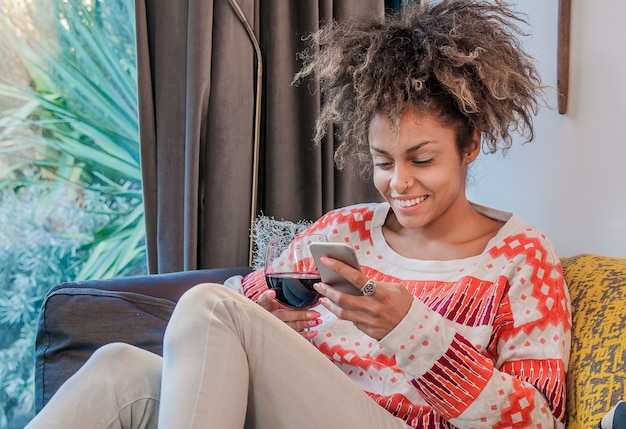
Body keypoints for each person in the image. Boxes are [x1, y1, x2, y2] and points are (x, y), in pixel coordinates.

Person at [26, 1, 571, 428]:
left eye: (421, 159)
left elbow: (538, 420)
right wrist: (266, 313)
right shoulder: (345, 230)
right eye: (383, 162)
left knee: (210, 307)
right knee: (119, 369)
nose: (398, 184)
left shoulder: (521, 258)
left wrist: (412, 329)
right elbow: (232, 314)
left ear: (469, 144)